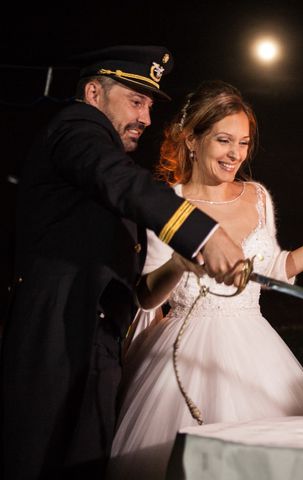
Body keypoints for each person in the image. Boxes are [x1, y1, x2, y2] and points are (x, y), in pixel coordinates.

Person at [0, 46, 246, 480]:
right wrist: (204, 234)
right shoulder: (77, 130)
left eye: (149, 105)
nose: (146, 119)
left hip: (93, 335)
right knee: (39, 459)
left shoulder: (94, 149)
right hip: (57, 333)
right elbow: (119, 182)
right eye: (136, 101)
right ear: (94, 92)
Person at [107, 80, 303, 479]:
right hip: (185, 356)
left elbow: (274, 269)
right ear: (192, 139)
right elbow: (145, 298)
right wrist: (179, 265)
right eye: (224, 140)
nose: (235, 155)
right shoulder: (165, 206)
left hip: (256, 346)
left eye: (243, 143)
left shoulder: (257, 196)